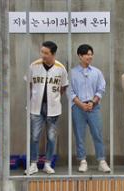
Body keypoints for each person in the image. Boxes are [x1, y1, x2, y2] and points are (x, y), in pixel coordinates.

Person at [25, 41, 68, 175]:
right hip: (36, 106)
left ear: (53, 54)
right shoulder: (34, 66)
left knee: (51, 137)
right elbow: (30, 84)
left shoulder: (60, 68)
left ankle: (48, 163)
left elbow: (63, 86)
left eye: (46, 53)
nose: (43, 55)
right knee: (35, 136)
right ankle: (33, 164)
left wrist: (54, 97)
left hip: (53, 108)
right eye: (42, 52)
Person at [68, 44, 110, 173]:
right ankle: (82, 161)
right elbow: (70, 91)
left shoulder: (97, 72)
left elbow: (101, 88)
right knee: (79, 135)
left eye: (91, 54)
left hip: (94, 107)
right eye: (87, 54)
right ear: (80, 56)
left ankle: (101, 161)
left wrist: (93, 102)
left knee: (97, 133)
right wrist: (81, 104)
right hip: (78, 108)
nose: (89, 56)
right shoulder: (72, 73)